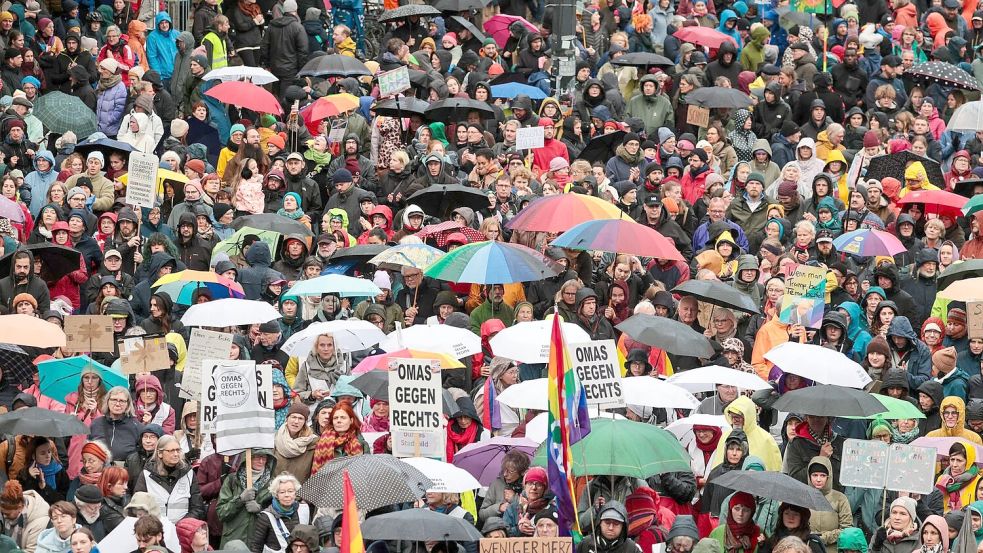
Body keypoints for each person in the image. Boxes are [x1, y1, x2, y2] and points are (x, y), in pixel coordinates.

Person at [132, 435, 205, 523]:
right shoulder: (146, 474)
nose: (176, 454)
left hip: (182, 530)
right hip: (154, 530)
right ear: (160, 453)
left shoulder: (188, 473)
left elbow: (197, 507)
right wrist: (153, 526)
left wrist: (182, 525)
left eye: (178, 450)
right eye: (171, 451)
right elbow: (139, 507)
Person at [249, 473, 310, 553]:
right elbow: (256, 546)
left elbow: (310, 539)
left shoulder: (304, 509)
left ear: (295, 493)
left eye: (290, 491)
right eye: (282, 492)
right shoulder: (266, 516)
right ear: (276, 495)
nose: (287, 495)